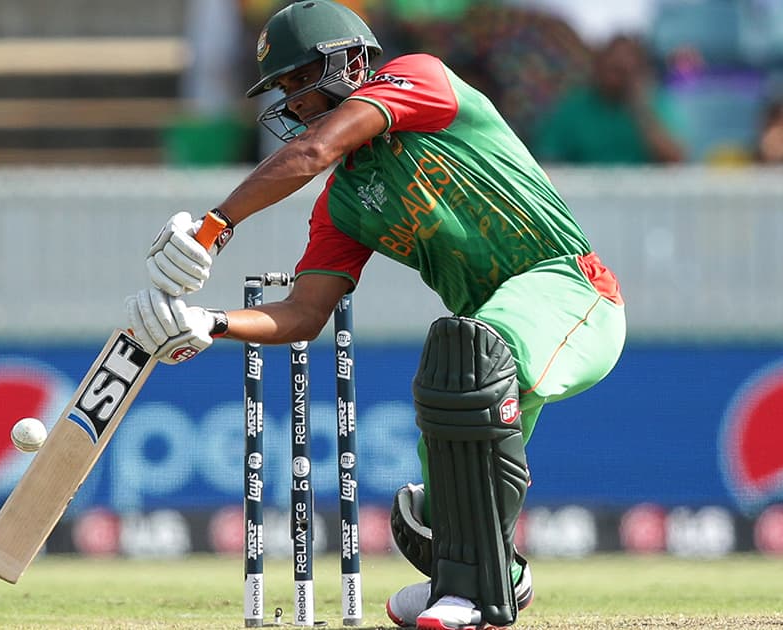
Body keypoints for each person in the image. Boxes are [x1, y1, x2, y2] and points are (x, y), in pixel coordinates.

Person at [126, 1, 626, 628]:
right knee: (435, 494)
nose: (292, 103)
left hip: (570, 293)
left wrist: (215, 224)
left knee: (466, 354)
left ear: (350, 62)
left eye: (298, 80)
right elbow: (304, 313)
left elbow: (312, 151)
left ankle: (474, 595)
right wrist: (210, 323)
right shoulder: (343, 205)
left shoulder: (421, 79)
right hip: (487, 346)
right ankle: (491, 574)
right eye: (281, 90)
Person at [534, 34, 685, 164]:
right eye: (611, 68)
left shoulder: (654, 104)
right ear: (597, 65)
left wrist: (640, 109)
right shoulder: (573, 107)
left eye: (624, 71)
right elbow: (547, 158)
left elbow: (676, 159)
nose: (615, 78)